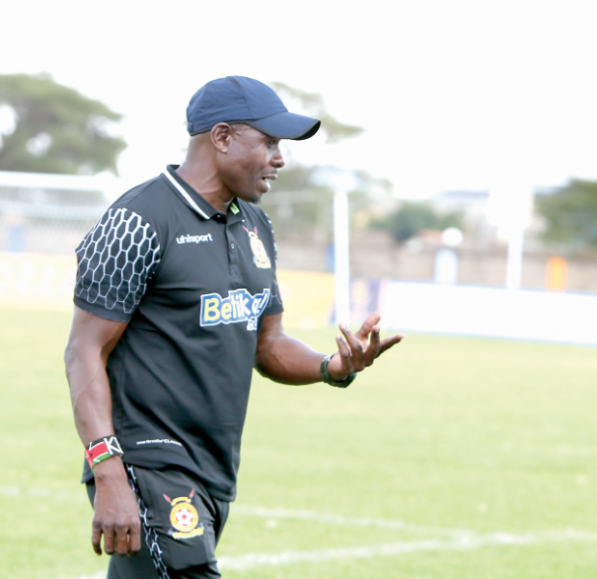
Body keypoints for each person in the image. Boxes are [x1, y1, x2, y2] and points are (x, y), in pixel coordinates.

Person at [64, 76, 403, 579]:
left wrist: (331, 367)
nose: (279, 158)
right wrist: (108, 472)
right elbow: (83, 352)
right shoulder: (137, 221)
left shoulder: (254, 226)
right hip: (148, 462)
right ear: (221, 137)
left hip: (216, 465)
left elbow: (267, 344)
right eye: (268, 142)